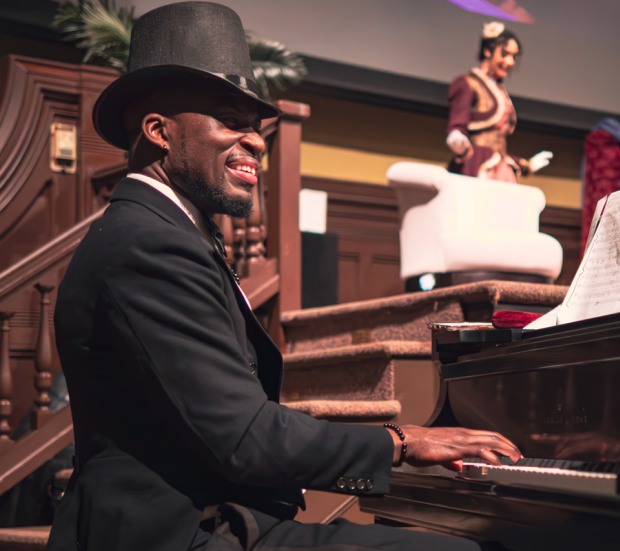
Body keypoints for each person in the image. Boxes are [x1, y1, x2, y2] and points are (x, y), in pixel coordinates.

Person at [48, 3, 520, 550]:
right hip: (169, 533)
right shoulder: (149, 244)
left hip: (209, 514)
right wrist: (403, 441)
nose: (255, 142)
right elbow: (244, 438)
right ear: (159, 131)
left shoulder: (160, 230)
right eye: (230, 120)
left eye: (257, 127)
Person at [446, 21, 552, 182]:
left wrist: (525, 165)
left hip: (500, 170)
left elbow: (497, 148)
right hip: (476, 168)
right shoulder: (468, 83)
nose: (510, 62)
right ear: (488, 51)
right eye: (504, 54)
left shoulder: (499, 91)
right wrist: (457, 138)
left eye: (514, 57)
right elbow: (458, 127)